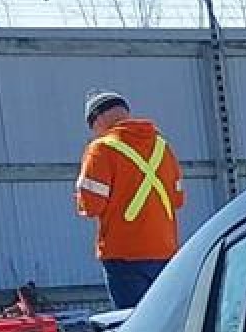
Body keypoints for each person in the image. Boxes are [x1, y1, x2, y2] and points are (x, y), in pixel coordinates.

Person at [74, 90, 185, 308]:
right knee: (165, 323)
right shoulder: (162, 147)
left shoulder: (101, 149)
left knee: (131, 325)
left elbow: (91, 205)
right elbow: (178, 199)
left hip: (124, 255)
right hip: (165, 252)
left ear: (97, 119)